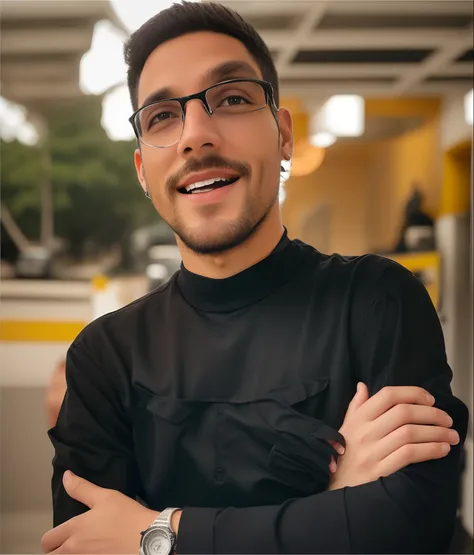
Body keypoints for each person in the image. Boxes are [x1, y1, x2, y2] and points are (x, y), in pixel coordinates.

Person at [42, 2, 468, 554]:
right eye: (162, 117)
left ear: (284, 135)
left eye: (232, 98)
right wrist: (334, 500)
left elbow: (413, 526)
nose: (196, 135)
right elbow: (84, 546)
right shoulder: (105, 358)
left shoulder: (376, 302)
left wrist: (159, 535)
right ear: (144, 171)